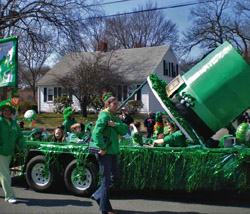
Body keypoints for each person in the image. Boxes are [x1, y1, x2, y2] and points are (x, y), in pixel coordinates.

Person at [89, 92, 128, 214]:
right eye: (114, 104)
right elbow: (96, 133)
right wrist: (103, 147)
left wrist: (115, 124)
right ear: (108, 104)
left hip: (113, 151)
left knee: (115, 176)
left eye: (117, 103)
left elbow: (124, 129)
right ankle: (105, 209)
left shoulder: (113, 117)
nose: (117, 105)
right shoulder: (104, 116)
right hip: (105, 152)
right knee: (106, 180)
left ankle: (97, 195)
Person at [0, 100, 27, 204]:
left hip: (9, 153)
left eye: (8, 110)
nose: (6, 112)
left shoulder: (14, 123)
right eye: (4, 110)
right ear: (2, 111)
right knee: (6, 175)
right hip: (1, 153)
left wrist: (23, 146)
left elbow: (20, 136)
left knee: (3, 174)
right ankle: (10, 196)